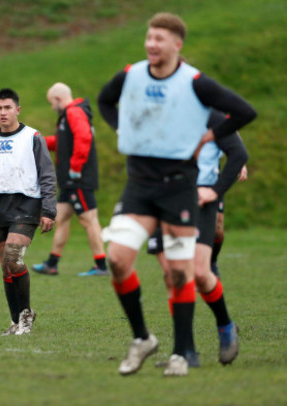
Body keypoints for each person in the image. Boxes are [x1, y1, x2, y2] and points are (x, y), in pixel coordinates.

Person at [97, 12, 256, 377]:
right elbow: (107, 101)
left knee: (194, 273)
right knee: (132, 263)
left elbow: (242, 132)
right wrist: (125, 131)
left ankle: (205, 338)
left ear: (177, 45)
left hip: (188, 193)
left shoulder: (200, 97)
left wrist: (213, 187)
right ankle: (158, 341)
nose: (152, 44)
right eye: (149, 37)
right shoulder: (136, 79)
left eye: (160, 38)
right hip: (141, 187)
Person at [147, 110, 248, 368]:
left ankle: (225, 326)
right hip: (165, 200)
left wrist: (215, 191)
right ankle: (186, 352)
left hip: (200, 201)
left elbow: (238, 153)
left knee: (201, 274)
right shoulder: (159, 112)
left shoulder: (212, 116)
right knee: (172, 275)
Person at [0, 88, 57, 336]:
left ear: (17, 109)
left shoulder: (33, 137)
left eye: (7, 108)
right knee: (6, 267)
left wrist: (49, 209)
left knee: (13, 259)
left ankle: (26, 317)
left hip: (26, 204)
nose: (3, 112)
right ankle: (16, 321)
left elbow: (47, 176)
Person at [32, 82, 108, 277]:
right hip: (68, 180)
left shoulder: (74, 113)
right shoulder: (69, 116)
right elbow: (62, 142)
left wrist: (75, 168)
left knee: (88, 219)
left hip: (78, 178)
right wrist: (39, 142)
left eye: (51, 103)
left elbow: (83, 138)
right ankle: (52, 263)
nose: (52, 108)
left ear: (58, 99)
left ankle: (101, 265)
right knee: (62, 217)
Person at [210, 164, 247, 277]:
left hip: (213, 182)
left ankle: (212, 262)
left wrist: (240, 163)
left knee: (217, 228)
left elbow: (231, 147)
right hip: (190, 180)